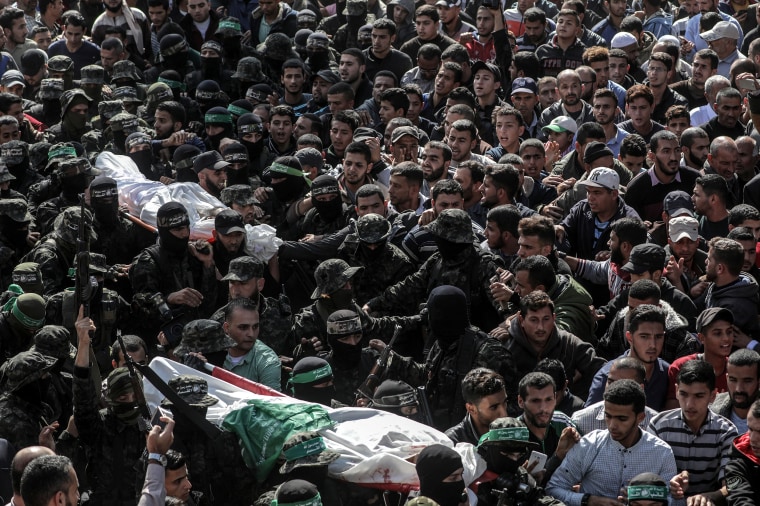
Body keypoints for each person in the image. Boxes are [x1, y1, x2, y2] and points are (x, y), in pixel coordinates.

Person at [546, 379, 679, 505]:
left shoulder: (662, 453)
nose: (612, 425)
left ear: (640, 418)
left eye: (622, 419)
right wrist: (587, 500)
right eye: (608, 416)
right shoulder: (589, 445)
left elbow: (673, 499)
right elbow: (554, 488)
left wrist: (647, 500)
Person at [650, 360, 739, 504]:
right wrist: (668, 486)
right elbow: (649, 477)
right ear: (676, 390)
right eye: (684, 394)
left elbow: (731, 484)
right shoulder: (659, 426)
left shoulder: (726, 432)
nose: (689, 404)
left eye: (698, 396)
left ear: (713, 396)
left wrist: (709, 497)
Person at [503, 291, 605, 399]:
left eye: (546, 319)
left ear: (553, 318)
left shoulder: (568, 343)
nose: (540, 327)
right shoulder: (506, 348)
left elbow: (602, 371)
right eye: (534, 320)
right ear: (521, 320)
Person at [572, 357, 659, 435]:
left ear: (640, 388)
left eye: (623, 384)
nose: (614, 387)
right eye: (610, 382)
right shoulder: (581, 421)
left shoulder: (657, 424)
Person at [222, 297, 281, 391]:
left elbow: (271, 403)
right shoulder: (211, 350)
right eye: (243, 327)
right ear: (226, 328)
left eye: (255, 327)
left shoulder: (267, 361)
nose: (251, 334)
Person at [445, 368, 508, 445]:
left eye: (505, 402)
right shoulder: (452, 442)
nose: (504, 414)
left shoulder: (514, 432)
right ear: (471, 409)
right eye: (494, 407)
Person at [711, 349, 760, 434]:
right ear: (727, 379)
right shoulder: (711, 412)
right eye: (733, 380)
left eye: (747, 381)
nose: (739, 389)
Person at [725, 398, 760, 506]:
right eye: (750, 429)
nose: (753, 438)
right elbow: (740, 500)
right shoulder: (737, 466)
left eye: (759, 431)